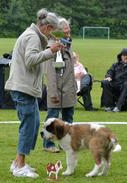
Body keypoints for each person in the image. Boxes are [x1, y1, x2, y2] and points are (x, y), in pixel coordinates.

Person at [4, 9, 63, 178]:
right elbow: (30, 60)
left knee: (34, 124)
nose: (51, 33)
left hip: (25, 88)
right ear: (46, 27)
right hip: (23, 88)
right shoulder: (32, 37)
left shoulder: (33, 35)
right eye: (51, 29)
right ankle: (20, 166)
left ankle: (17, 162)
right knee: (28, 127)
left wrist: (48, 48)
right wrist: (50, 51)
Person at [43, 17, 77, 153]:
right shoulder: (51, 47)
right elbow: (50, 73)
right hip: (56, 90)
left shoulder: (67, 44)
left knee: (68, 118)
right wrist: (52, 93)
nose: (68, 33)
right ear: (57, 31)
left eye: (69, 30)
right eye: (65, 30)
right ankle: (48, 144)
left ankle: (65, 143)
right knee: (52, 118)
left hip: (69, 89)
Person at [101, 48, 127, 112]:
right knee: (105, 82)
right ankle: (109, 106)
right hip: (116, 85)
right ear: (121, 56)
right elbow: (110, 72)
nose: (126, 57)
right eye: (124, 56)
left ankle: (118, 107)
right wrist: (109, 77)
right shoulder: (115, 65)